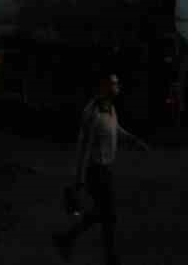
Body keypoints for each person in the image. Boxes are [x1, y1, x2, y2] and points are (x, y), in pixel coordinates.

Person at [54, 72, 148, 263]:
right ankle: (109, 257)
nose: (117, 86)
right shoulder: (92, 113)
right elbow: (83, 149)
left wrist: (134, 141)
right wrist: (79, 181)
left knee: (104, 212)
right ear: (103, 88)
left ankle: (67, 239)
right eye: (113, 83)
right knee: (109, 214)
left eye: (117, 82)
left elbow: (116, 129)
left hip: (105, 170)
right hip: (95, 172)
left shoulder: (109, 108)